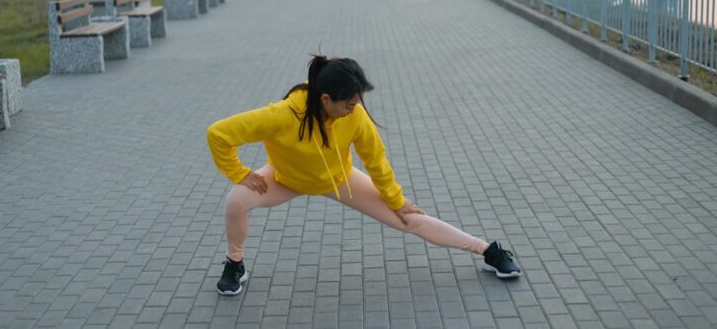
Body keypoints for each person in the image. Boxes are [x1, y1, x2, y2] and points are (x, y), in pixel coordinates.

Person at [206, 55, 521, 296]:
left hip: (339, 179)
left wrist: (396, 200)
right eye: (350, 103)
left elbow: (375, 159)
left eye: (358, 102)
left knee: (407, 218)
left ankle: (487, 250)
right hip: (284, 179)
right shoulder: (280, 115)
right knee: (236, 199)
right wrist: (240, 173)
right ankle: (235, 264)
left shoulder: (354, 119)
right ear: (326, 99)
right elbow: (219, 133)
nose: (356, 109)